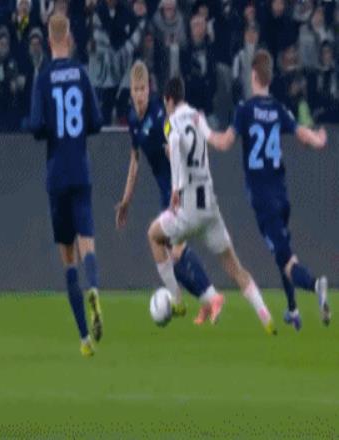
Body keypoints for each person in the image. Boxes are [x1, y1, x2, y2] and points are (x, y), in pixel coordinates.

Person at [202, 49, 330, 330]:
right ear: (270, 77)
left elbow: (224, 143)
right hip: (281, 194)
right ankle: (293, 309)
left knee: (286, 259)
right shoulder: (278, 109)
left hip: (263, 198)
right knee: (282, 251)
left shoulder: (245, 110)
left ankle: (315, 285)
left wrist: (203, 130)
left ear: (253, 76)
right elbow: (302, 135)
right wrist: (319, 140)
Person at [148, 76, 276, 335]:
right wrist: (226, 139)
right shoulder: (197, 117)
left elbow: (176, 145)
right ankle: (265, 316)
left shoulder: (170, 123)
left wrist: (175, 189)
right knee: (234, 268)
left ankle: (177, 299)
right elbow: (213, 141)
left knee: (154, 235)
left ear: (169, 100)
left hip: (187, 209)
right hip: (209, 207)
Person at [116, 61, 224, 325]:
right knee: (171, 252)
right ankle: (203, 300)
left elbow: (175, 138)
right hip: (167, 191)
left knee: (173, 251)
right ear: (130, 91)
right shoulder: (133, 120)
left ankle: (205, 298)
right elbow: (135, 161)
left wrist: (171, 151)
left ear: (149, 89)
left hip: (178, 189)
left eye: (143, 89)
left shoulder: (159, 114)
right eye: (135, 90)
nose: (139, 95)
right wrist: (126, 200)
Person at [30, 14, 103, 357]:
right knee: (87, 242)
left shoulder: (43, 78)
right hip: (81, 169)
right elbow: (96, 122)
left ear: (49, 41)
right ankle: (95, 289)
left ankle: (85, 339)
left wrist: (49, 127)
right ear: (69, 39)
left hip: (57, 172)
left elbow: (36, 126)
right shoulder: (81, 74)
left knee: (68, 258)